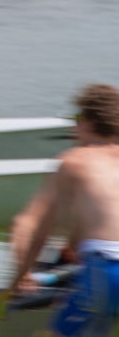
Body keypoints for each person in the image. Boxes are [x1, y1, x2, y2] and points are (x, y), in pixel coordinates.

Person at [9, 83, 119, 337]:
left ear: (88, 122)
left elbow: (27, 226)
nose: (73, 127)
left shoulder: (74, 160)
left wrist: (19, 278)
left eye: (76, 118)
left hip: (106, 272)